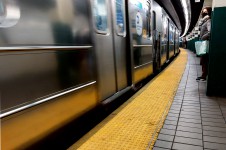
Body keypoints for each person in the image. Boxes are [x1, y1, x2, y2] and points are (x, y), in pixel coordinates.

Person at [196, 7, 212, 82]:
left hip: (205, 43)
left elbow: (209, 32)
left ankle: (204, 76)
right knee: (203, 59)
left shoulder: (208, 21)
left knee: (204, 60)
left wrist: (202, 37)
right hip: (203, 42)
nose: (203, 12)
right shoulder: (204, 21)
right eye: (203, 11)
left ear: (208, 12)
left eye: (205, 11)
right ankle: (203, 75)